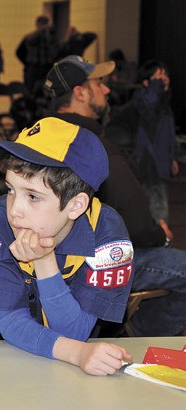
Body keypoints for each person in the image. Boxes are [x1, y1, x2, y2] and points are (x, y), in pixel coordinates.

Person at [0, 116, 135, 375]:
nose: (14, 211)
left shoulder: (108, 236)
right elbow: (10, 320)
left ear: (76, 205)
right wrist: (77, 353)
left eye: (33, 196)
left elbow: (75, 332)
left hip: (77, 359)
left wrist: (44, 262)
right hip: (3, 349)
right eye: (11, 190)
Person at [44, 56, 186, 337]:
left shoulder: (38, 136)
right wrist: (160, 236)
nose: (107, 90)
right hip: (86, 262)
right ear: (80, 93)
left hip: (45, 260)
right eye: (98, 83)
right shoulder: (91, 145)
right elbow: (131, 215)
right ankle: (138, 342)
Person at [105, 60, 179, 224]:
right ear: (146, 82)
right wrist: (156, 87)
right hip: (150, 166)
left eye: (165, 74)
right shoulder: (144, 102)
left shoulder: (163, 105)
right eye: (158, 76)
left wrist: (172, 157)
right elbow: (148, 107)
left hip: (161, 165)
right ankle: (160, 243)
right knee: (156, 209)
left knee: (159, 205)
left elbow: (167, 134)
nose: (164, 78)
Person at [15, 15, 58, 97]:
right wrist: (27, 63)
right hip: (34, 69)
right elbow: (19, 52)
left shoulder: (49, 38)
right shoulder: (30, 38)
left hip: (44, 68)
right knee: (32, 93)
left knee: (46, 92)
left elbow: (55, 52)